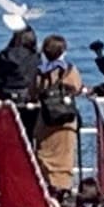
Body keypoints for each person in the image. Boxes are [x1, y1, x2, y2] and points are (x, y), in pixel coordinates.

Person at [31, 35, 83, 192]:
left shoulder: (40, 72)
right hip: (66, 120)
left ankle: (48, 187)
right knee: (65, 156)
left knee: (44, 154)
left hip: (46, 119)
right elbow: (77, 87)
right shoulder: (69, 70)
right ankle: (63, 188)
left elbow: (33, 92)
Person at [0, 27, 39, 134]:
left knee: (7, 133)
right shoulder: (36, 57)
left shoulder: (4, 56)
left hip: (6, 97)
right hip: (28, 99)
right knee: (29, 132)